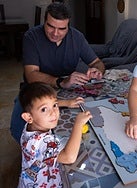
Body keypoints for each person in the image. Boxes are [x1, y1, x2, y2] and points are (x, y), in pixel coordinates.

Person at [10, 2, 105, 143]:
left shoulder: (77, 37)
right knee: (17, 128)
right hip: (36, 90)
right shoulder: (31, 37)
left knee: (91, 117)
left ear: (68, 26)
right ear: (44, 22)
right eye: (51, 26)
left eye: (61, 29)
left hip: (69, 89)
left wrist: (97, 70)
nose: (55, 33)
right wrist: (61, 82)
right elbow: (31, 75)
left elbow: (97, 63)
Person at [17, 82, 92, 187]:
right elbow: (69, 157)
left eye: (55, 105)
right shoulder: (41, 142)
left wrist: (66, 103)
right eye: (44, 109)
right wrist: (78, 125)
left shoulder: (31, 126)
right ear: (28, 117)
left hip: (28, 180)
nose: (53, 113)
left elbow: (45, 103)